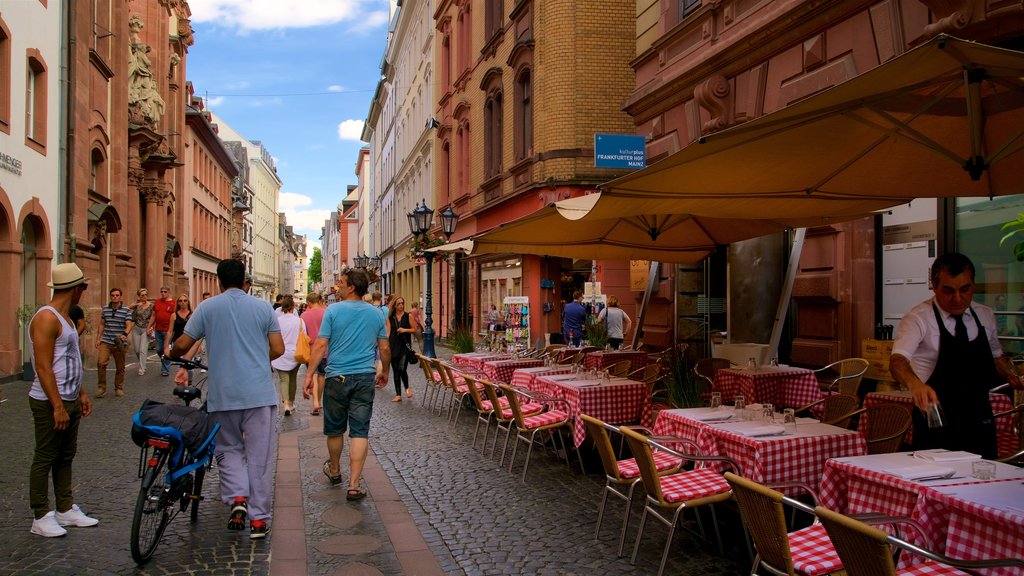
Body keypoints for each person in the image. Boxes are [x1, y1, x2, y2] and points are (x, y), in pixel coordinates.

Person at [169, 259, 284, 539]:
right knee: (259, 457)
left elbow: (184, 344)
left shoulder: (208, 308)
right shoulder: (261, 307)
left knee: (227, 449)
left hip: (223, 395)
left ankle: (238, 499)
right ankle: (258, 521)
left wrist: (172, 354)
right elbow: (278, 348)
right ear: (245, 279)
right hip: (258, 394)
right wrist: (258, 359)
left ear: (218, 282)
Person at [890, 252, 1022, 459]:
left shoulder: (985, 315)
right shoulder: (918, 318)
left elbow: (996, 357)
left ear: (973, 285)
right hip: (937, 419)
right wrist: (916, 385)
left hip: (979, 418)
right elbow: (897, 361)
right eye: (948, 291)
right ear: (934, 287)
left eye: (965, 289)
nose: (958, 298)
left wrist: (1012, 374)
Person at [303, 268, 389, 501]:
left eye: (340, 283)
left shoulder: (333, 311)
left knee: (335, 429)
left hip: (336, 377)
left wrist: (309, 374)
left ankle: (334, 470)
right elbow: (384, 348)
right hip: (364, 377)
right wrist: (385, 372)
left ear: (352, 287)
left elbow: (320, 345)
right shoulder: (376, 314)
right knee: (360, 431)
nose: (337, 286)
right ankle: (354, 484)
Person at [28, 262, 99, 537]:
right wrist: (57, 405)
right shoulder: (47, 318)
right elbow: (43, 367)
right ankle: (40, 515)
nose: (84, 291)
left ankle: (65, 509)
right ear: (75, 288)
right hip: (49, 401)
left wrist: (80, 393)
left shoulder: (67, 318)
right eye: (83, 287)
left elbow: (68, 360)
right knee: (45, 456)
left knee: (66, 456)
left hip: (68, 397)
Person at [96, 287, 133, 398]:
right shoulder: (105, 309)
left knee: (120, 367)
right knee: (101, 363)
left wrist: (125, 334)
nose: (115, 297)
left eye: (117, 295)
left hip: (119, 342)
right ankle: (101, 387)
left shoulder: (126, 310)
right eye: (113, 295)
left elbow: (129, 324)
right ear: (110, 296)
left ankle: (118, 388)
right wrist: (98, 338)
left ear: (120, 297)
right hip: (106, 341)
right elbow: (102, 324)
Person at [272, 295, 303, 416]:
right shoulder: (299, 321)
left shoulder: (277, 321)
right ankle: (291, 402)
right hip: (295, 354)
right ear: (293, 307)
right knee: (293, 379)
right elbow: (304, 335)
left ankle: (285, 404)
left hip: (281, 353)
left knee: (284, 380)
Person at [301, 292, 327, 415]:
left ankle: (315, 401)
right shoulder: (326, 313)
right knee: (321, 375)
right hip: (324, 350)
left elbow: (302, 334)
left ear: (309, 303)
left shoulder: (304, 315)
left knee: (313, 375)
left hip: (310, 350)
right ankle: (319, 401)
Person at [387, 296, 417, 402]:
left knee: (402, 369)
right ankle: (398, 395)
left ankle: (407, 387)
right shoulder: (391, 317)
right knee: (395, 371)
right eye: (399, 304)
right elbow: (388, 332)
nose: (401, 305)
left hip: (405, 347)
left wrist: (405, 330)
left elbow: (415, 329)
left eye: (402, 303)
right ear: (394, 305)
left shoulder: (408, 316)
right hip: (393, 345)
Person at [150, 286, 176, 376]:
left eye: (165, 291)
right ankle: (165, 360)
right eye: (161, 291)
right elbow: (153, 315)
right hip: (158, 329)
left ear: (168, 292)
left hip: (168, 330)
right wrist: (149, 326)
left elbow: (175, 317)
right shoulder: (157, 302)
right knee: (159, 349)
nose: (163, 293)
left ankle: (165, 369)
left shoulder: (173, 303)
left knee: (166, 349)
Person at [129, 288, 154, 376]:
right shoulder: (137, 305)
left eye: (145, 295)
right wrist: (137, 304)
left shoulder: (151, 305)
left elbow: (153, 317)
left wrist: (151, 328)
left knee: (143, 349)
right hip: (136, 328)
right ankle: (143, 364)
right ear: (139, 296)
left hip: (146, 329)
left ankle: (142, 368)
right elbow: (128, 308)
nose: (144, 296)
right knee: (137, 350)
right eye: (142, 295)